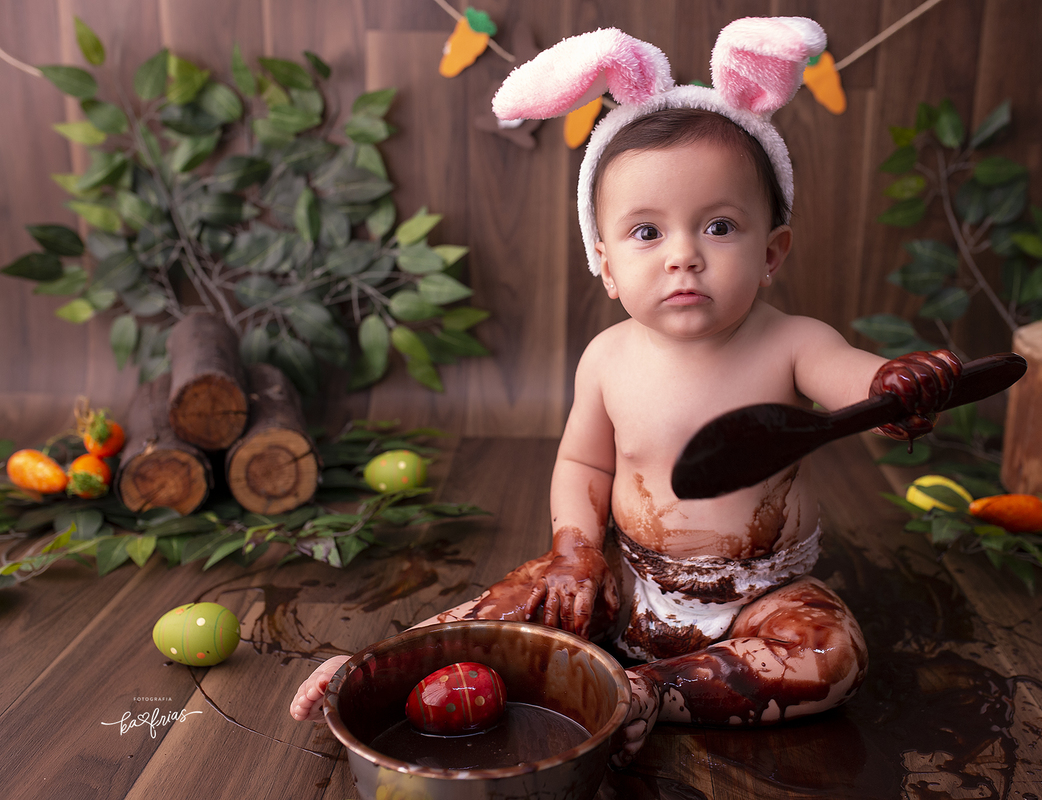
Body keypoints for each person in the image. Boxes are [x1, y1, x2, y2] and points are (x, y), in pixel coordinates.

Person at [290, 18, 961, 767]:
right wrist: (577, 555)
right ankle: (378, 669)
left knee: (832, 655)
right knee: (508, 605)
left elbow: (854, 383)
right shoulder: (607, 358)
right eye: (648, 233)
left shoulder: (794, 343)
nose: (684, 256)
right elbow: (584, 468)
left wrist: (894, 388)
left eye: (718, 226)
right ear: (604, 264)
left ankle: (648, 693)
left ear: (771, 252)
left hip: (762, 597)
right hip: (627, 580)